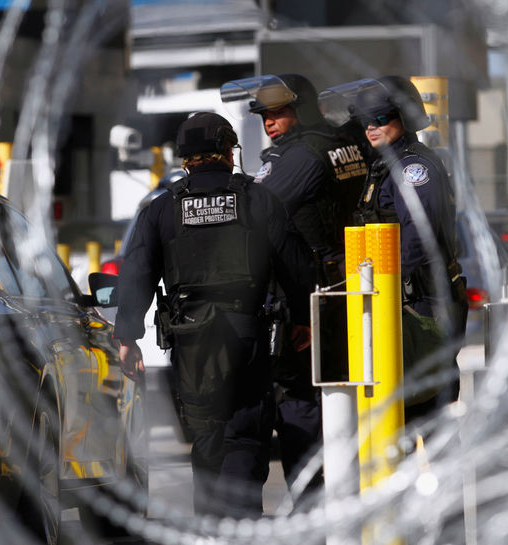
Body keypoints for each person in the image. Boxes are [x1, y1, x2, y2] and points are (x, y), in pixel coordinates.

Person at [114, 112, 315, 517]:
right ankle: (240, 526)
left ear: (184, 158)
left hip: (189, 341)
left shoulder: (162, 210)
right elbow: (297, 265)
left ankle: (212, 528)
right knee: (245, 434)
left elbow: (136, 274)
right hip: (246, 336)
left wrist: (127, 338)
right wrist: (302, 318)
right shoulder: (256, 198)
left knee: (206, 436)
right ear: (228, 150)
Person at [221, 73, 370, 504]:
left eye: (279, 113)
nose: (270, 122)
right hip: (344, 283)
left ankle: (312, 505)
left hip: (308, 292)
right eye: (266, 115)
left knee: (300, 399)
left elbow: (255, 213)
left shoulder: (301, 155)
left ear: (301, 110)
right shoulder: (346, 144)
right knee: (336, 395)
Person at [322, 76, 469, 423]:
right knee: (397, 419)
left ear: (405, 117)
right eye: (366, 120)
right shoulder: (386, 165)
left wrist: (380, 279)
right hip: (398, 303)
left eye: (381, 118)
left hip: (419, 306)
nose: (371, 127)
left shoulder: (414, 167)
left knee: (428, 414)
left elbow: (418, 237)